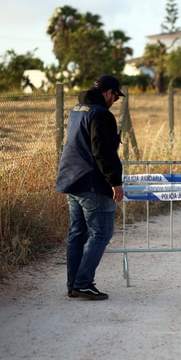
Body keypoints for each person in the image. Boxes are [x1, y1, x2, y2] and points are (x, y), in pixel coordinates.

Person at [55, 75, 125, 300]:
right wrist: (115, 182)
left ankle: (73, 284)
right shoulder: (101, 114)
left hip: (71, 179)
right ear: (108, 92)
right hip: (93, 183)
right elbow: (102, 152)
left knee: (77, 232)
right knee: (102, 232)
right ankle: (83, 283)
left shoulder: (77, 110)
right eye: (115, 96)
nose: (115, 101)